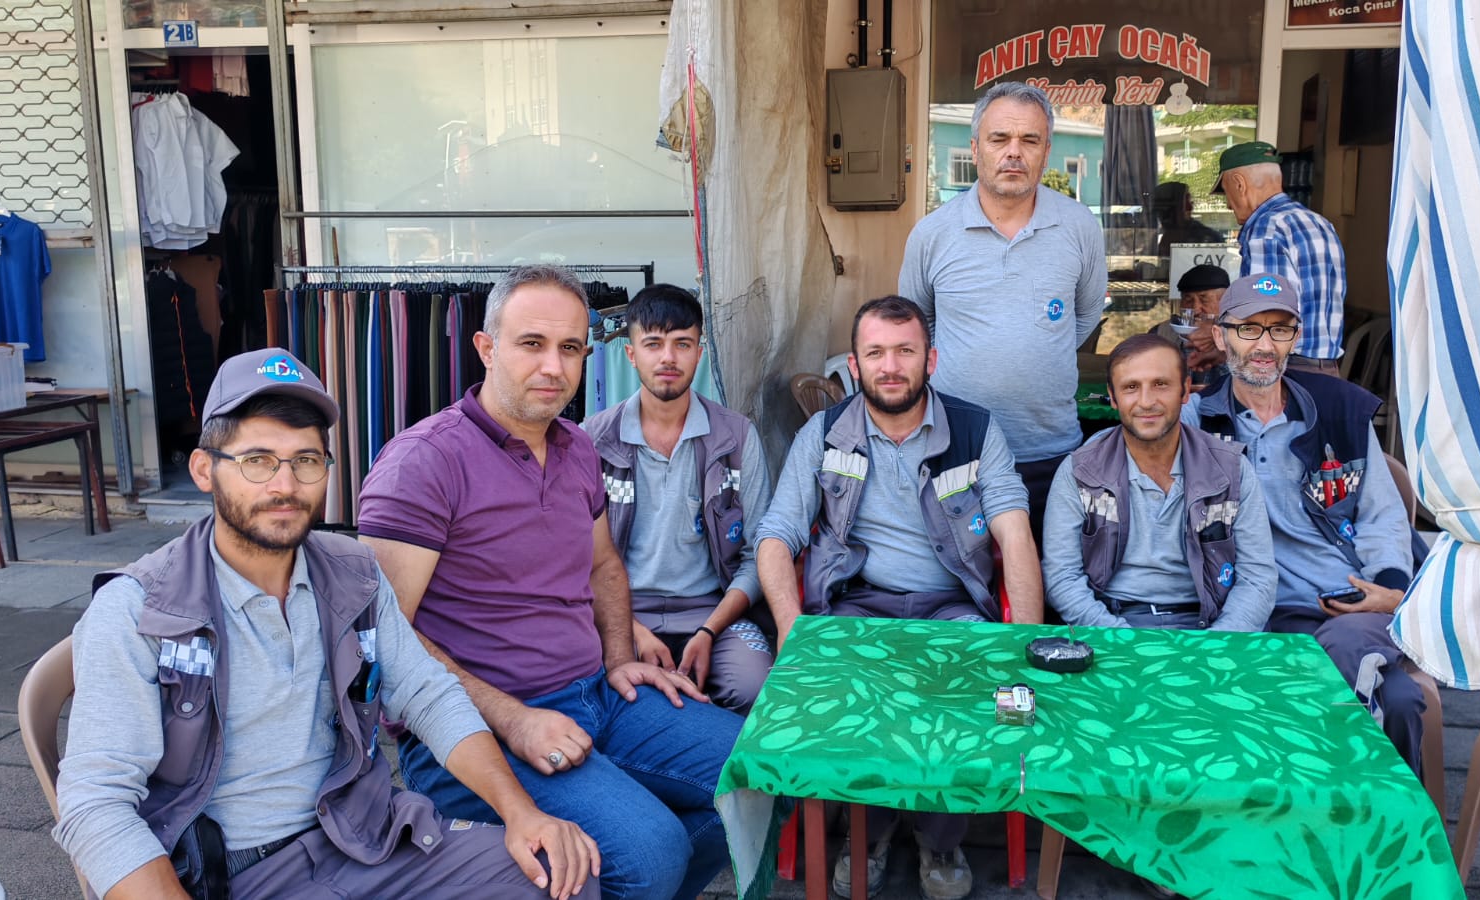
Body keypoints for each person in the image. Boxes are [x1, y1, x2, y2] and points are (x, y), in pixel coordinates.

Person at [52, 348, 598, 900]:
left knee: (559, 874)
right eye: (257, 460)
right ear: (203, 469)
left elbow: (429, 695)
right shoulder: (138, 608)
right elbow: (97, 802)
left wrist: (521, 813)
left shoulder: (352, 573)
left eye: (306, 460)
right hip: (233, 874)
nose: (285, 485)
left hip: (363, 837)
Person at [356, 266, 744, 900]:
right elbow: (382, 634)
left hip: (596, 695)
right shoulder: (425, 461)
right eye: (531, 344)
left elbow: (602, 566)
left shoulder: (576, 447)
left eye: (569, 349)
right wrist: (513, 719)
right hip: (479, 729)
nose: (553, 367)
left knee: (755, 776)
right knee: (651, 852)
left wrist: (619, 658)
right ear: (486, 348)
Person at [756, 295, 1043, 900]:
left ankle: (939, 839)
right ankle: (871, 833)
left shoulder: (974, 430)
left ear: (930, 360)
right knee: (859, 694)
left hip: (951, 604)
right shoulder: (824, 433)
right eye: (876, 353)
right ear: (854, 366)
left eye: (905, 351)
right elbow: (776, 536)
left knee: (964, 689)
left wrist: (1020, 644)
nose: (890, 366)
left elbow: (1014, 535)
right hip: (856, 603)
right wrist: (791, 630)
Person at [1183, 273, 1425, 774]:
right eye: (1248, 329)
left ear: (1296, 339)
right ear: (1221, 336)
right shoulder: (1197, 422)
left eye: (1280, 329)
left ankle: (1388, 821)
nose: (1264, 345)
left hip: (1346, 604)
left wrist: (1390, 589)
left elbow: (1382, 516)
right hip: (1252, 610)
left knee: (1397, 700)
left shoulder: (1340, 412)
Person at [898, 81, 1108, 537]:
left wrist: (1034, 349)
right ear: (975, 148)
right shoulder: (932, 234)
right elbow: (915, 330)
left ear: (1046, 151)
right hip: (956, 450)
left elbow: (1085, 315)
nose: (1014, 152)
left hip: (1050, 453)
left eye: (1029, 140)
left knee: (1050, 574)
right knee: (961, 574)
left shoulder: (1079, 227)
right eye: (999, 139)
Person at [581, 284, 774, 715]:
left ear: (699, 353)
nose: (668, 358)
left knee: (756, 687)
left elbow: (758, 555)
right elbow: (573, 557)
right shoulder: (591, 440)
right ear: (631, 354)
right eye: (653, 344)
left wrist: (709, 630)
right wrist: (630, 631)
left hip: (712, 610)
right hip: (619, 611)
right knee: (591, 689)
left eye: (682, 344)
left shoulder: (736, 437)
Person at [1043, 333, 1275, 632]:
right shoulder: (1080, 471)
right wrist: (1121, 638)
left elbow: (1257, 578)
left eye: (1160, 384)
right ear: (1113, 397)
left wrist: (1217, 642)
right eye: (1131, 387)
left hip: (1211, 623)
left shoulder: (1231, 469)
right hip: (1111, 622)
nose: (1146, 401)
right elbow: (1062, 578)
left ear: (1185, 390)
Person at [1213, 141, 1348, 376]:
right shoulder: (1320, 223)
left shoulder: (1266, 227)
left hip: (1285, 371)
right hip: (1327, 370)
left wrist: (1216, 336)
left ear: (1239, 184)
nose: (1227, 204)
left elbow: (1262, 317)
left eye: (1226, 192)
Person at [1150, 263, 1229, 383]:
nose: (1196, 309)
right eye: (1188, 300)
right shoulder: (1160, 333)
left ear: (1225, 302)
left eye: (1204, 300)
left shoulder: (1238, 334)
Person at [1152, 180, 1224, 259]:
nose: (1190, 207)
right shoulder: (1155, 239)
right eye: (1185, 202)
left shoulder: (1207, 239)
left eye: (1189, 200)